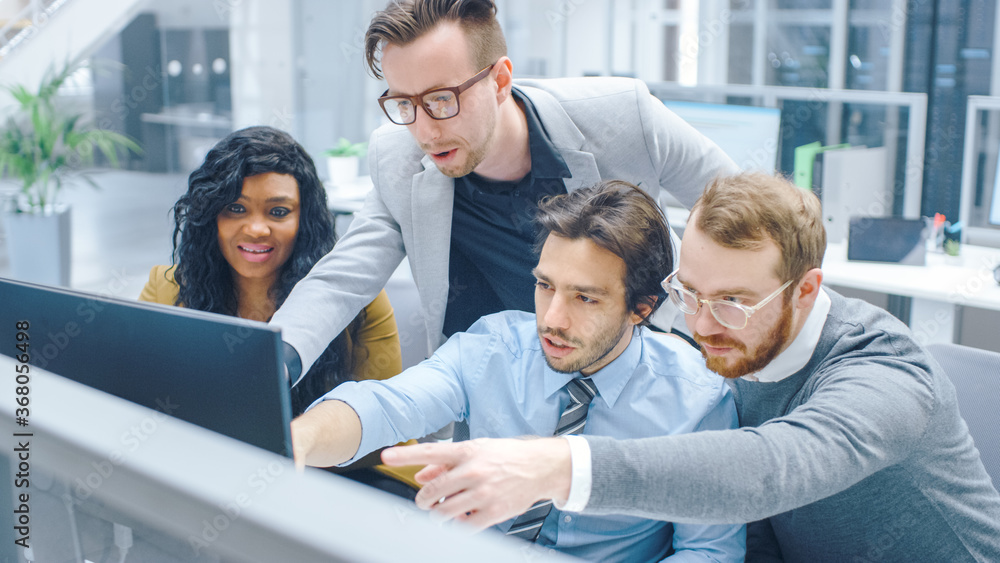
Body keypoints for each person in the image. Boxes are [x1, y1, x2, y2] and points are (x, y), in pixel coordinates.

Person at [381, 173, 1000, 562]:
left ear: (805, 291)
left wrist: (556, 464)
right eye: (691, 292)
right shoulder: (730, 349)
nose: (701, 325)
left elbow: (771, 468)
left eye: (732, 301)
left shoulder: (886, 374)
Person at [269, 0, 738, 385]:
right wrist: (274, 358)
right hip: (500, 397)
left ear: (499, 80)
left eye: (440, 100)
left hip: (643, 373)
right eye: (403, 104)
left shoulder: (622, 117)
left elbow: (746, 212)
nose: (425, 131)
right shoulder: (398, 157)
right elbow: (342, 276)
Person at [292, 181, 745, 562]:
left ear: (641, 308)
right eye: (545, 286)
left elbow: (709, 552)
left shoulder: (699, 399)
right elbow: (388, 404)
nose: (553, 319)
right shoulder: (494, 346)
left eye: (585, 298)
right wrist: (300, 438)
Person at [138, 126, 413, 488]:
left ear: (304, 221)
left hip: (337, 485)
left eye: (278, 212)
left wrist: (292, 454)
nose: (256, 229)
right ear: (211, 217)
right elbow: (138, 404)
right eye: (235, 209)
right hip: (209, 482)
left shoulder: (360, 301)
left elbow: (386, 433)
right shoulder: (168, 288)